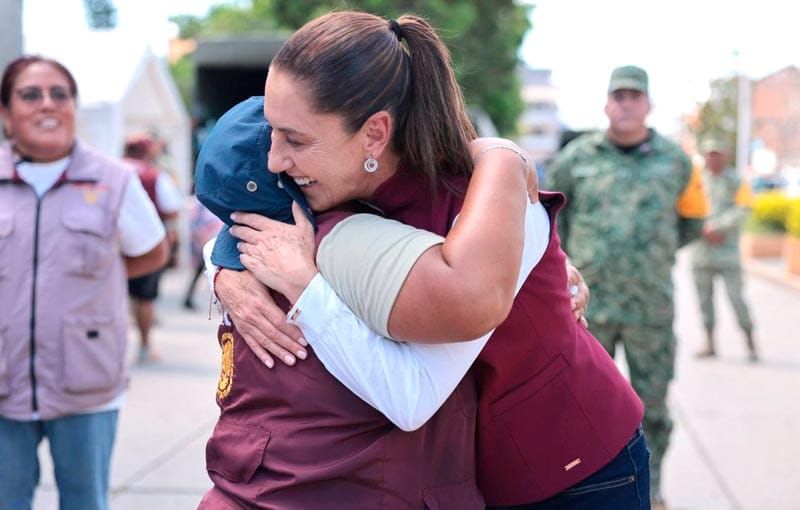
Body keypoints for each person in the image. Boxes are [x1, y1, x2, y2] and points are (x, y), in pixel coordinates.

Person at [202, 12, 646, 510]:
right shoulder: (335, 188)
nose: (274, 161)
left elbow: (414, 385)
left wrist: (305, 285)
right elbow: (246, 211)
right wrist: (224, 273)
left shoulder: (484, 204)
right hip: (474, 474)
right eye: (273, 133)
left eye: (296, 140)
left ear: (374, 135)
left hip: (572, 469)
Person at [0, 55, 168, 510]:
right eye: (30, 95)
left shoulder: (113, 180)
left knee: (85, 502)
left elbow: (153, 251)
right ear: (5, 113)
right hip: (3, 383)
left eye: (60, 94)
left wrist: (103, 278)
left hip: (86, 383)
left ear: (74, 107)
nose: (47, 104)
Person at [546, 65, 710, 509]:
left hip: (650, 308)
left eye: (634, 96)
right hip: (586, 309)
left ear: (648, 104)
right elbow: (548, 220)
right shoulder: (576, 158)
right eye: (618, 95)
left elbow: (693, 222)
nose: (626, 103)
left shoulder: (676, 161)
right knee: (580, 407)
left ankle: (650, 488)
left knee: (651, 407)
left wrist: (650, 257)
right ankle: (585, 490)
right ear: (606, 104)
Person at [692, 138, 757, 361]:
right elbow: (687, 208)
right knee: (704, 301)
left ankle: (750, 341)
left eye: (717, 154)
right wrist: (701, 228)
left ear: (725, 156)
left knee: (737, 299)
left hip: (727, 252)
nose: (713, 158)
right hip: (701, 253)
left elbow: (745, 208)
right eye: (709, 154)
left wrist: (718, 226)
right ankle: (709, 342)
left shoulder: (737, 181)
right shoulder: (698, 180)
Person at [123, 133, 183, 362]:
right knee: (145, 298)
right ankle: (145, 345)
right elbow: (172, 209)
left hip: (115, 245)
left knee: (114, 295)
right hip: (146, 246)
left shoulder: (110, 171)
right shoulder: (155, 176)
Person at [183, 194, 223, 310]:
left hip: (208, 240)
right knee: (212, 272)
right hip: (205, 241)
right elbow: (197, 223)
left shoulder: (200, 202)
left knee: (202, 272)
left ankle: (189, 298)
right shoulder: (198, 203)